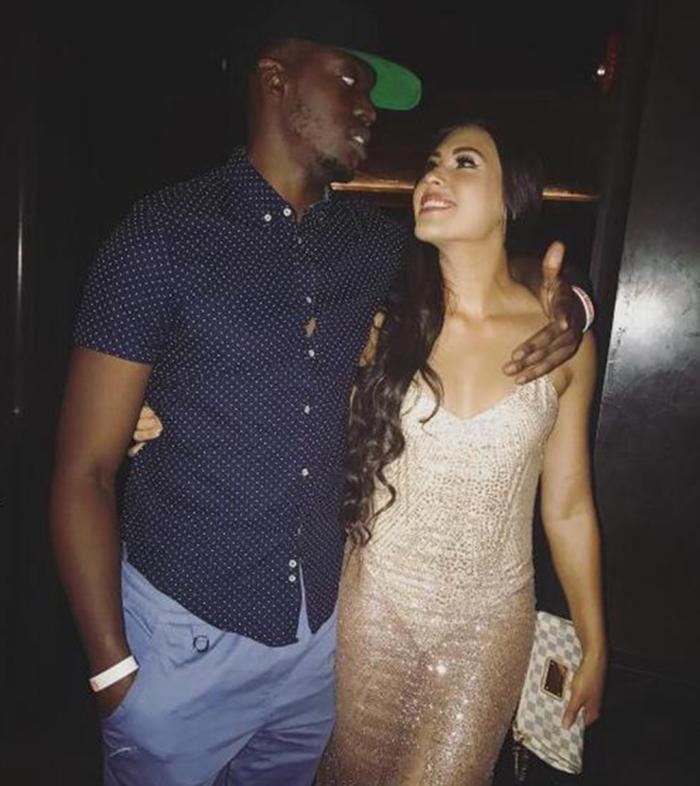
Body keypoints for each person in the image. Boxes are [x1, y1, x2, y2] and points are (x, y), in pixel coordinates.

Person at [50, 2, 589, 784]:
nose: (367, 109)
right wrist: (112, 672)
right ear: (276, 78)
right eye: (349, 82)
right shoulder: (162, 235)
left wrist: (572, 309)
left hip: (322, 656)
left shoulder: (380, 250)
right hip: (180, 642)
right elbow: (83, 472)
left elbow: (487, 281)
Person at [314, 120, 606, 786]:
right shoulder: (382, 327)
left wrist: (594, 637)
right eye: (432, 162)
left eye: (464, 163)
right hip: (376, 606)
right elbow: (278, 383)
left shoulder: (562, 342)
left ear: (511, 200)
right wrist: (157, 409)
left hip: (491, 622)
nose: (433, 176)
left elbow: (567, 507)